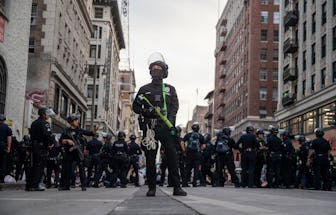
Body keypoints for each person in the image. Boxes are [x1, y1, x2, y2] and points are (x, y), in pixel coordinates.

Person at [132, 52, 187, 196]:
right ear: (150, 71)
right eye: (153, 68)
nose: (156, 71)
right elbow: (135, 107)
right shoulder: (144, 89)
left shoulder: (170, 89)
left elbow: (175, 107)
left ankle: (177, 187)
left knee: (172, 157)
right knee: (150, 158)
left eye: (159, 68)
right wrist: (147, 112)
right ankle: (151, 188)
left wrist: (168, 119)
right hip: (150, 128)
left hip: (166, 128)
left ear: (164, 72)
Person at [58, 114, 97, 191]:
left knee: (81, 168)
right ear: (71, 122)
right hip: (69, 152)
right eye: (75, 120)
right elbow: (61, 140)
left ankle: (83, 185)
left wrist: (95, 130)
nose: (77, 121)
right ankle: (66, 185)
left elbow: (89, 133)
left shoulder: (79, 130)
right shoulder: (66, 130)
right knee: (67, 169)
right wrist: (67, 141)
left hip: (78, 151)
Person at [26, 107, 55, 191]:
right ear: (43, 114)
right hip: (41, 147)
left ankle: (30, 185)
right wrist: (51, 142)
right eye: (47, 114)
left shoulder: (34, 123)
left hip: (34, 146)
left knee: (33, 165)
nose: (49, 115)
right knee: (40, 166)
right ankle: (35, 185)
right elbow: (47, 135)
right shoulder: (45, 123)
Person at [182, 122, 205, 187]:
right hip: (197, 154)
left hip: (189, 153)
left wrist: (184, 150)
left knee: (187, 168)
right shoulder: (200, 136)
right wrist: (200, 150)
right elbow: (203, 145)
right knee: (196, 169)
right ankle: (194, 183)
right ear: (198, 128)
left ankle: (184, 183)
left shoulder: (188, 135)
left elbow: (182, 142)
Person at [0, 114, 12, 183]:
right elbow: (9, 137)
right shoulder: (6, 127)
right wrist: (9, 147)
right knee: (3, 162)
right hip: (2, 146)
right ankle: (1, 179)